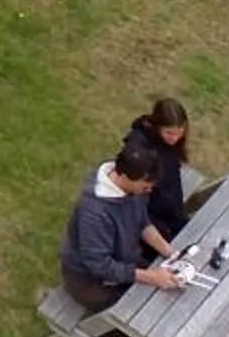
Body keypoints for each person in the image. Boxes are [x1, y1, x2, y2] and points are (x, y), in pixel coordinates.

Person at [61, 137, 182, 312]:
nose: (149, 190)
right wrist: (151, 277)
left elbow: (142, 222)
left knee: (171, 289)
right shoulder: (95, 213)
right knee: (142, 310)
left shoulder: (133, 187)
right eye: (146, 186)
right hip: (89, 279)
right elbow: (100, 266)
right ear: (124, 177)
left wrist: (170, 252)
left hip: (124, 260)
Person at [122, 96, 195, 254]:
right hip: (147, 213)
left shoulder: (168, 144)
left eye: (179, 133)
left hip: (169, 205)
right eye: (169, 133)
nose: (175, 139)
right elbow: (135, 196)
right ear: (157, 126)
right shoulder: (139, 148)